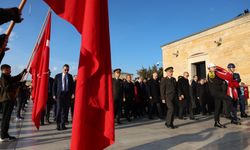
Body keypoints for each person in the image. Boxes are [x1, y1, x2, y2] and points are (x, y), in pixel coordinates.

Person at [0, 64, 26, 142]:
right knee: (5, 118)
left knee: (7, 119)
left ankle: (5, 134)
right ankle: (3, 136)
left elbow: (16, 78)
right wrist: (19, 84)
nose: (10, 71)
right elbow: (8, 88)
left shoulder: (8, 77)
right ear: (3, 70)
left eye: (10, 69)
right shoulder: (3, 78)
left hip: (10, 99)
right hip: (6, 100)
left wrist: (22, 73)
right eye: (8, 70)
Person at [53, 64, 74, 130]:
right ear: (62, 69)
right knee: (59, 109)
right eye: (65, 70)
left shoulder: (70, 76)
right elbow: (54, 86)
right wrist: (54, 94)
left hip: (67, 95)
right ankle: (58, 125)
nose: (66, 71)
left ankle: (63, 125)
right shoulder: (58, 76)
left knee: (65, 110)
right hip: (59, 95)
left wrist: (73, 93)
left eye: (67, 70)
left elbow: (72, 86)